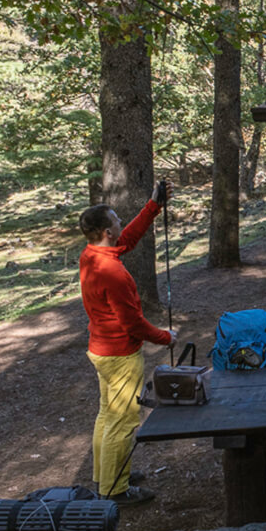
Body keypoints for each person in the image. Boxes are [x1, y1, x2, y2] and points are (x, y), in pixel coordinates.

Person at [78, 182, 177, 505]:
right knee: (123, 421)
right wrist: (166, 337)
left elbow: (129, 238)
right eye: (117, 219)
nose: (121, 221)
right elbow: (132, 322)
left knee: (108, 415)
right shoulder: (113, 273)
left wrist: (153, 206)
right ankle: (115, 490)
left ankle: (108, 473)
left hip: (101, 350)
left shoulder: (93, 254)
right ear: (107, 231)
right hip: (120, 355)